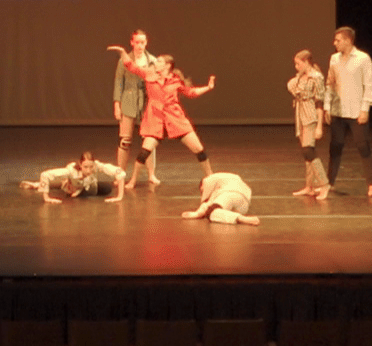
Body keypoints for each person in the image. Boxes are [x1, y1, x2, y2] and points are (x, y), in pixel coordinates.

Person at [107, 44, 216, 187]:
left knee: (199, 149)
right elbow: (131, 66)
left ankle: (211, 177)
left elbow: (190, 92)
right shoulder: (149, 75)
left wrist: (208, 88)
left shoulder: (176, 80)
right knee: (144, 152)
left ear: (167, 66)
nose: (155, 63)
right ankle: (133, 181)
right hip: (155, 120)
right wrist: (122, 52)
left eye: (159, 62)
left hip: (176, 120)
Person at [325, 25, 372, 197]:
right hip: (338, 111)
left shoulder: (363, 58)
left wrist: (365, 110)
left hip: (356, 111)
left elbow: (369, 86)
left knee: (363, 147)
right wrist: (327, 106)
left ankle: (371, 185)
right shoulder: (334, 59)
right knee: (335, 147)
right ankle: (329, 182)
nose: (335, 43)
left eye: (338, 40)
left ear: (348, 40)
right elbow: (330, 84)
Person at [111, 28, 159, 186]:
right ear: (132, 42)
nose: (139, 45)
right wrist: (117, 105)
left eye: (142, 42)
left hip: (147, 102)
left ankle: (151, 174)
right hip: (129, 101)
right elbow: (119, 82)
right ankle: (120, 174)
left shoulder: (152, 60)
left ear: (146, 43)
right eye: (137, 42)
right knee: (125, 140)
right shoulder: (124, 60)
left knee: (149, 139)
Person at [288, 49, 328, 199]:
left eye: (298, 64)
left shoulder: (316, 77)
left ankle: (324, 184)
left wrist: (319, 125)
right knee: (305, 152)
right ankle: (309, 186)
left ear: (306, 62)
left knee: (308, 150)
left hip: (310, 115)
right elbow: (293, 87)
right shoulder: (300, 77)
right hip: (300, 114)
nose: (296, 67)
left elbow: (319, 101)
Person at [18, 151, 126, 204]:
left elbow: (120, 173)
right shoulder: (71, 170)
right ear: (80, 164)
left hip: (88, 187)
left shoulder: (97, 166)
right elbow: (45, 175)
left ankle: (38, 185)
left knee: (107, 188)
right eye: (85, 167)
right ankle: (37, 185)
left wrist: (119, 196)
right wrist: (47, 198)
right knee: (62, 184)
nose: (89, 170)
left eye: (91, 167)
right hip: (72, 187)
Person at [180, 170, 259, 225]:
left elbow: (206, 205)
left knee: (211, 212)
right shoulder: (224, 179)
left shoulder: (207, 181)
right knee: (219, 211)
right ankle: (239, 217)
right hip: (244, 204)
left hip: (230, 193)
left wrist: (196, 214)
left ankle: (241, 219)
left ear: (202, 186)